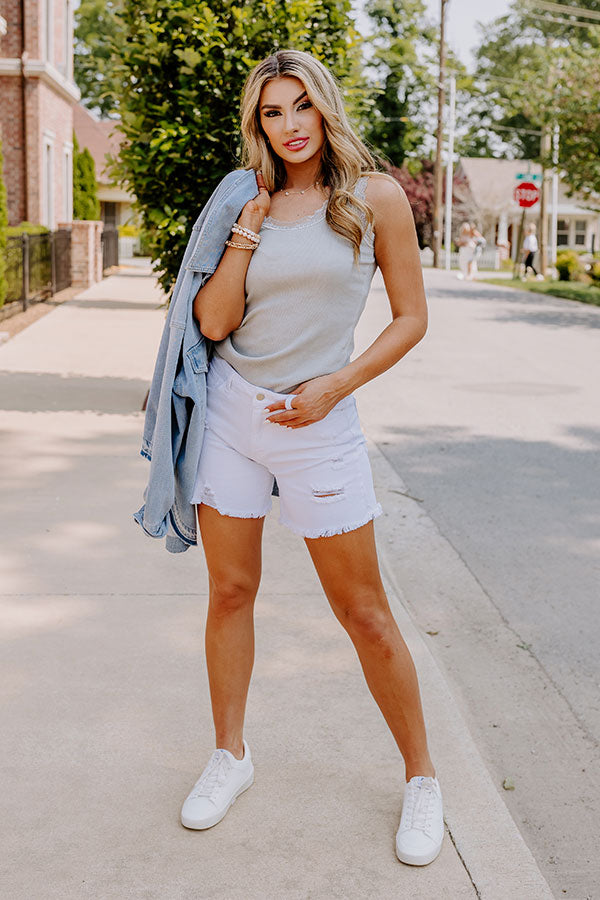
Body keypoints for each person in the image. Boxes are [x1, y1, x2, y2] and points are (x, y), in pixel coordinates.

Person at [175, 49, 444, 867]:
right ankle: (231, 756)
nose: (289, 127)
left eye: (300, 107)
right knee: (230, 590)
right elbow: (215, 323)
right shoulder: (242, 198)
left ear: (325, 108)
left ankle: (422, 778)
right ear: (257, 124)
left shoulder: (375, 198)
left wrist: (337, 384)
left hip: (319, 422)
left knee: (363, 612)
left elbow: (409, 317)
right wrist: (248, 231)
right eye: (270, 113)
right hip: (232, 413)